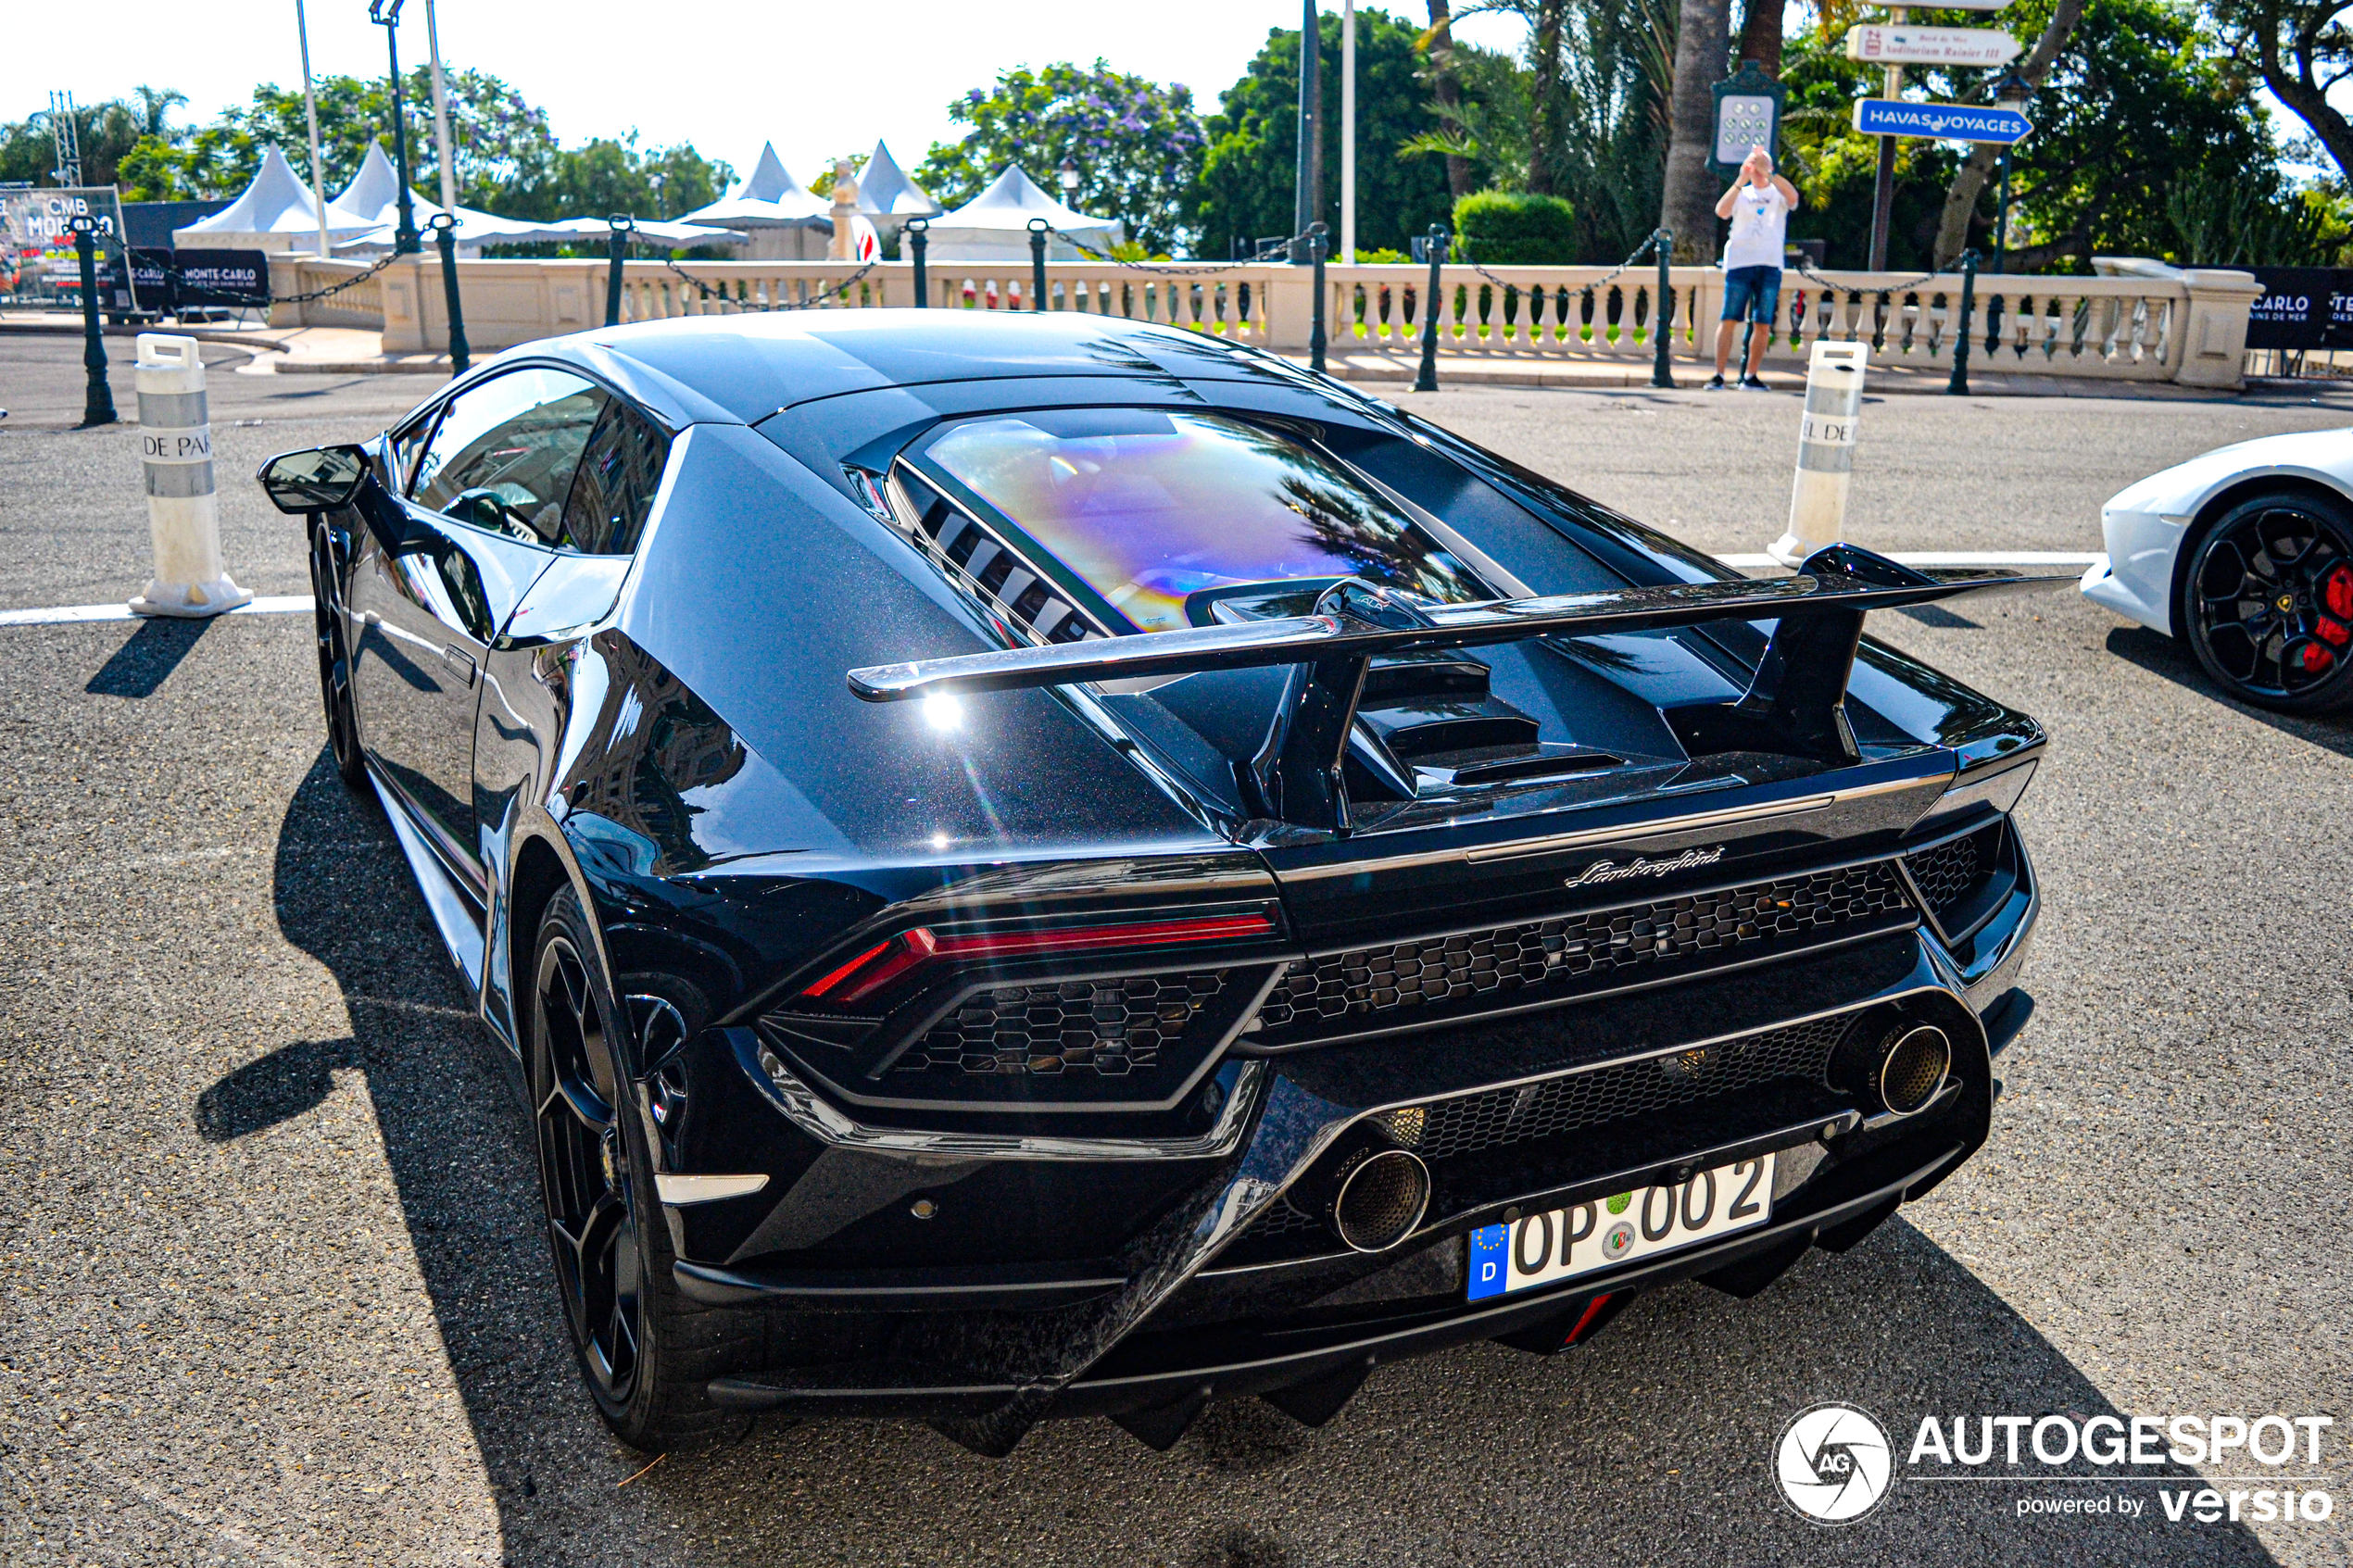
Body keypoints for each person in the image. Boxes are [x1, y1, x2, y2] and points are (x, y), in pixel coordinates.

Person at [1708, 145, 1801, 391]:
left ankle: (1750, 376)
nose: (1757, 172)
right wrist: (1741, 177)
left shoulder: (1778, 193)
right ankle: (1718, 375)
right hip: (1740, 264)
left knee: (1763, 322)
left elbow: (1793, 198)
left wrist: (1768, 173)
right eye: (1754, 166)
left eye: (1762, 166)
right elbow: (1722, 211)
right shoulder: (1741, 193)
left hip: (1770, 265)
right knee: (1728, 319)